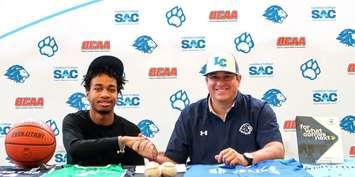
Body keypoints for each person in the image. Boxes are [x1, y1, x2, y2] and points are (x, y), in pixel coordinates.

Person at [157, 53, 284, 166]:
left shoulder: (259, 110)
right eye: (214, 77)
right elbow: (174, 162)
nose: (220, 83)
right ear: (207, 80)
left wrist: (245, 158)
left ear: (238, 79)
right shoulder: (190, 114)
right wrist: (153, 156)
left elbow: (277, 150)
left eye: (227, 77)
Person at [62, 55, 157, 166]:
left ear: (117, 94)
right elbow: (74, 149)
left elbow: (134, 172)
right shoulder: (73, 121)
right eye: (98, 89)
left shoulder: (131, 131)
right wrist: (121, 142)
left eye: (111, 89)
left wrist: (152, 156)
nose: (105, 94)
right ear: (88, 93)